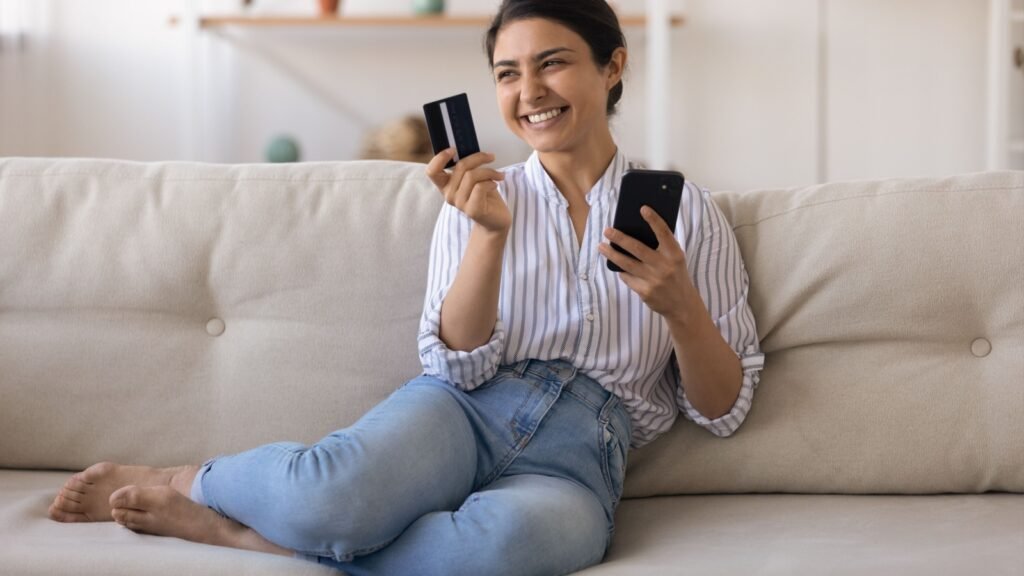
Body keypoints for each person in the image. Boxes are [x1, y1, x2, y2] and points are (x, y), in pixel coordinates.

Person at [47, 0, 764, 574]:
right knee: (331, 495)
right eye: (508, 73)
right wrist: (488, 235)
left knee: (502, 551)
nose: (530, 91)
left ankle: (248, 542)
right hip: (465, 410)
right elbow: (453, 364)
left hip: (583, 454)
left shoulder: (687, 213)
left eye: (553, 64)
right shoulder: (481, 196)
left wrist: (681, 309)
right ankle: (191, 481)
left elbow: (723, 410)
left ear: (612, 68)